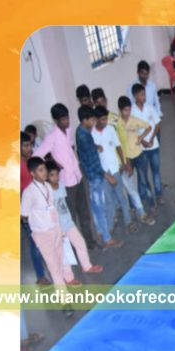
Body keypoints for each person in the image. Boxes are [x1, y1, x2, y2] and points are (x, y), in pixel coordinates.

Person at [36, 103, 98, 250]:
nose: (67, 121)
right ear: (56, 120)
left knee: (84, 212)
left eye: (67, 118)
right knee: (70, 217)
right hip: (66, 183)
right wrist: (52, 163)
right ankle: (74, 247)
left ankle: (90, 241)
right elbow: (37, 156)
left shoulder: (69, 130)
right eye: (63, 119)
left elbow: (70, 147)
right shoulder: (52, 137)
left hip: (77, 176)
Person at [45, 158, 103, 281]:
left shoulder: (61, 186)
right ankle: (69, 277)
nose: (56, 177)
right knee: (65, 252)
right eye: (52, 175)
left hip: (68, 222)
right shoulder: (47, 192)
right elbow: (49, 213)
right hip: (58, 227)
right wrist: (58, 230)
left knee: (80, 243)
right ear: (47, 177)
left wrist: (70, 220)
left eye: (57, 174)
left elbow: (64, 205)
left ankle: (86, 266)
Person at [75, 105, 122, 249]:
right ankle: (107, 239)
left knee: (96, 207)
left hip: (89, 175)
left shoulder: (80, 130)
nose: (94, 122)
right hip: (95, 176)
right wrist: (107, 176)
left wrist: (95, 146)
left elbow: (85, 151)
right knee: (100, 207)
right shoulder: (85, 136)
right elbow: (94, 162)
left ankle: (101, 232)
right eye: (91, 120)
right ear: (85, 120)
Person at [20, 157, 65, 288]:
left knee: (60, 261)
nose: (44, 172)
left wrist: (59, 228)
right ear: (32, 173)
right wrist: (36, 224)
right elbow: (24, 215)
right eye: (40, 170)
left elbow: (52, 206)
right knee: (53, 266)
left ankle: (62, 287)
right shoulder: (29, 192)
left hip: (55, 228)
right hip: (42, 233)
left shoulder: (48, 186)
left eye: (44, 169)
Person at [92, 106, 136, 233]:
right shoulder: (92, 134)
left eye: (106, 119)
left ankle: (129, 222)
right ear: (96, 119)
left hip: (115, 168)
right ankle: (110, 226)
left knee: (122, 197)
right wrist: (95, 147)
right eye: (102, 119)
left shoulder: (110, 129)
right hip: (104, 172)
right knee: (109, 201)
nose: (105, 122)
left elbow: (118, 146)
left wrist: (122, 163)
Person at [118, 95, 156, 220]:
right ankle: (134, 207)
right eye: (125, 110)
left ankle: (152, 206)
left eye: (129, 109)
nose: (128, 112)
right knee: (130, 185)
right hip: (127, 159)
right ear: (120, 110)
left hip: (139, 155)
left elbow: (148, 127)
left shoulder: (134, 120)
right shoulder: (118, 124)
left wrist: (141, 138)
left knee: (144, 181)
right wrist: (124, 161)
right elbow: (119, 144)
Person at [20, 131, 50, 284]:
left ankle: (52, 264)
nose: (29, 148)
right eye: (25, 146)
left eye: (30, 145)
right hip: (29, 208)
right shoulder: (17, 166)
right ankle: (40, 275)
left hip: (42, 205)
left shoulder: (33, 160)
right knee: (35, 241)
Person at [131, 83, 163, 207]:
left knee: (156, 172)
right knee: (142, 174)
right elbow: (132, 132)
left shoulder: (149, 108)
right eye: (141, 95)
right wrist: (143, 141)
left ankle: (159, 194)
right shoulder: (132, 112)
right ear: (135, 96)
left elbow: (157, 124)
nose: (144, 97)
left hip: (153, 146)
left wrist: (152, 138)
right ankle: (143, 196)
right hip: (141, 149)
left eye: (144, 94)